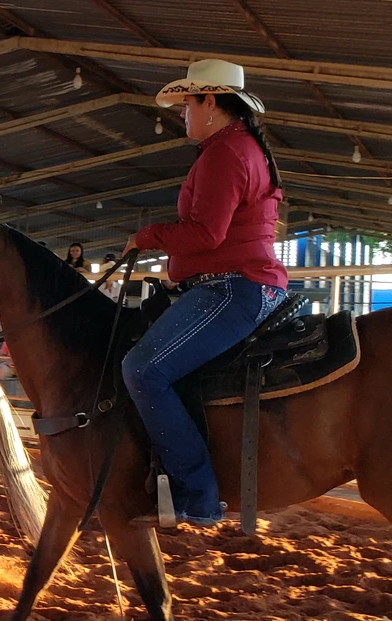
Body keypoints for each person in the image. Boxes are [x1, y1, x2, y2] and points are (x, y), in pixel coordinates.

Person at [121, 59, 288, 527]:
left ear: (210, 103)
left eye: (186, 105)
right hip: (246, 284)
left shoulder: (224, 153)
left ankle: (197, 497)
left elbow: (206, 234)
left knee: (142, 370)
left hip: (232, 288)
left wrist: (147, 237)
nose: (182, 115)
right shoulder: (244, 148)